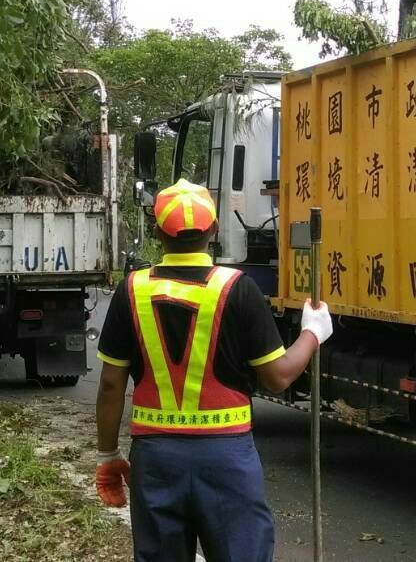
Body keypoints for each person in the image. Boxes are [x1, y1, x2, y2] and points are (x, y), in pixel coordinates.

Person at [93, 179, 332, 562]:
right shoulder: (239, 288)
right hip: (227, 460)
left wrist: (107, 456)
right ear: (215, 229)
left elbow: (109, 385)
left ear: (157, 233)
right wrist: (312, 332)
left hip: (155, 460)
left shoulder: (131, 290)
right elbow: (278, 376)